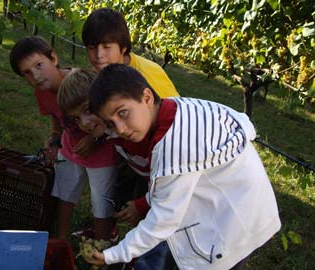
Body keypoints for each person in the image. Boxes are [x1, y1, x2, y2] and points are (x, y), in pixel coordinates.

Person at [87, 64, 282, 270]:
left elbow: (163, 221)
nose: (121, 129)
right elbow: (175, 181)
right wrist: (146, 201)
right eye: (110, 123)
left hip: (232, 224)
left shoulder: (174, 145)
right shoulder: (173, 108)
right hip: (241, 204)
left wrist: (113, 255)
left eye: (123, 113)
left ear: (146, 98)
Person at [9, 36, 119, 241]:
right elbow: (55, 116)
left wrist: (94, 138)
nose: (36, 76)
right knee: (64, 192)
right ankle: (60, 240)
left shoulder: (83, 83)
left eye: (39, 65)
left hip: (102, 152)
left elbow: (108, 114)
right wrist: (55, 136)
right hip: (70, 148)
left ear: (54, 58)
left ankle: (103, 247)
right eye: (27, 73)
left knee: (101, 203)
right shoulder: (41, 93)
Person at [82, 6, 181, 231]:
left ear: (124, 47)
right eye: (92, 48)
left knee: (157, 212)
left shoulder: (148, 77)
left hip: (161, 160)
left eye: (107, 47)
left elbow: (173, 127)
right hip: (135, 155)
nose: (99, 56)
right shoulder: (106, 72)